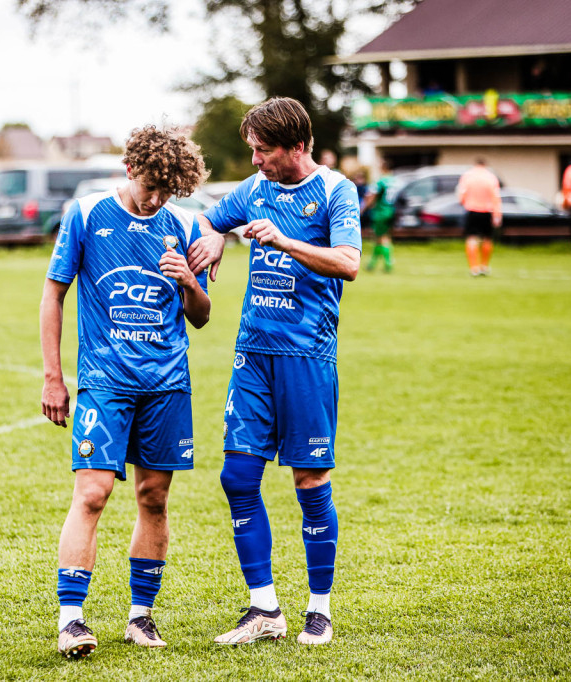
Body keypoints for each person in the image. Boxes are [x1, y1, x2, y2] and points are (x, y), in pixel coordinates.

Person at [187, 97, 362, 646]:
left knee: (309, 482)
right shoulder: (254, 189)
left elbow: (349, 263)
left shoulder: (336, 191)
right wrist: (214, 233)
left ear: (298, 146)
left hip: (307, 356)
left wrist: (284, 240)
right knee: (237, 477)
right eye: (252, 151)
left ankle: (320, 610)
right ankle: (264, 609)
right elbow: (208, 216)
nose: (256, 160)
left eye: (264, 151)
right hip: (252, 355)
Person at [40, 125, 210, 658]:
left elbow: (202, 317)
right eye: (151, 186)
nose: (157, 198)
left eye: (168, 190)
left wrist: (189, 281)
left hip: (166, 384)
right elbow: (53, 293)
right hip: (104, 381)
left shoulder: (182, 226)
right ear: (130, 169)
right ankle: (72, 620)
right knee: (92, 493)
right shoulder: (87, 215)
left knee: (153, 497)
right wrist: (53, 375)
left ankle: (142, 617)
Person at [456, 158, 502, 276]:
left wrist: (463, 201)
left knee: (471, 239)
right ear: (485, 165)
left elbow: (461, 195)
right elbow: (496, 197)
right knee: (487, 238)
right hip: (487, 211)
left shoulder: (467, 176)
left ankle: (474, 268)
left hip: (472, 210)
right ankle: (484, 266)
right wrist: (497, 214)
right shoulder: (491, 177)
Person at [363, 158, 395, 272]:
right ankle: (372, 264)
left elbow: (372, 196)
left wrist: (363, 209)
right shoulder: (394, 180)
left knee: (380, 238)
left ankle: (388, 263)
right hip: (390, 211)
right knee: (384, 237)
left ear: (383, 167)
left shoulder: (381, 181)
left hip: (381, 212)